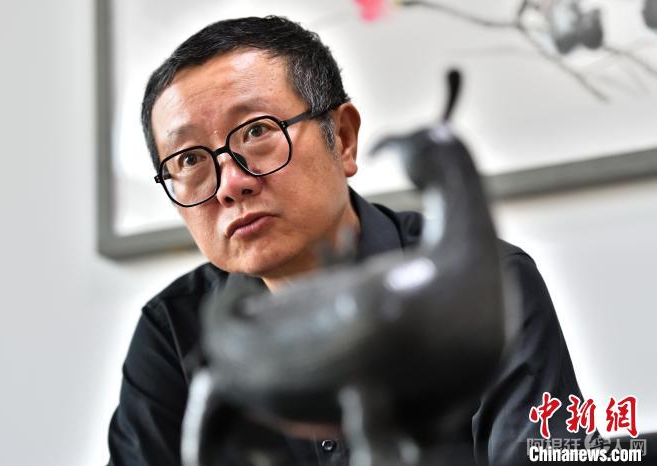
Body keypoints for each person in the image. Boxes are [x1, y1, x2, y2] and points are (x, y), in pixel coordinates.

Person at [107, 15, 583, 466]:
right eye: (189, 160)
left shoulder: (482, 286)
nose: (231, 184)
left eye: (257, 131)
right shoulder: (172, 333)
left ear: (344, 138)